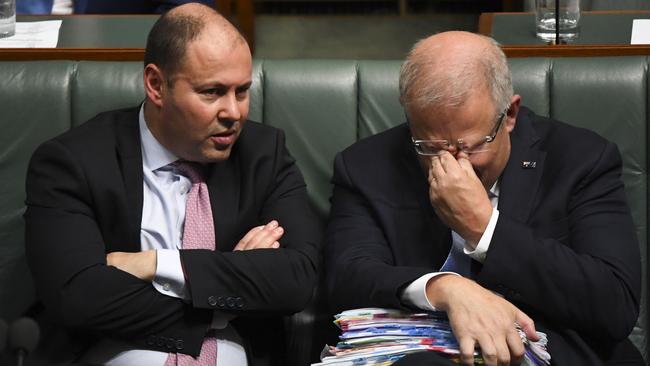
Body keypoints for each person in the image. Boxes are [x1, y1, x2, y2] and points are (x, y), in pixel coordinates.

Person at [24, 3, 320, 365]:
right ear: (156, 85)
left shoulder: (264, 154)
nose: (234, 112)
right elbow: (78, 295)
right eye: (212, 92)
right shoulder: (72, 162)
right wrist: (222, 300)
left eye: (242, 91)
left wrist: (156, 265)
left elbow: (297, 279)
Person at [324, 31, 643, 365]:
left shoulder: (581, 159)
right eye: (430, 147)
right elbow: (347, 277)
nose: (452, 163)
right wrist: (445, 288)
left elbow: (614, 303)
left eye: (471, 146)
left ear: (510, 115)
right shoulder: (364, 166)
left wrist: (484, 228)